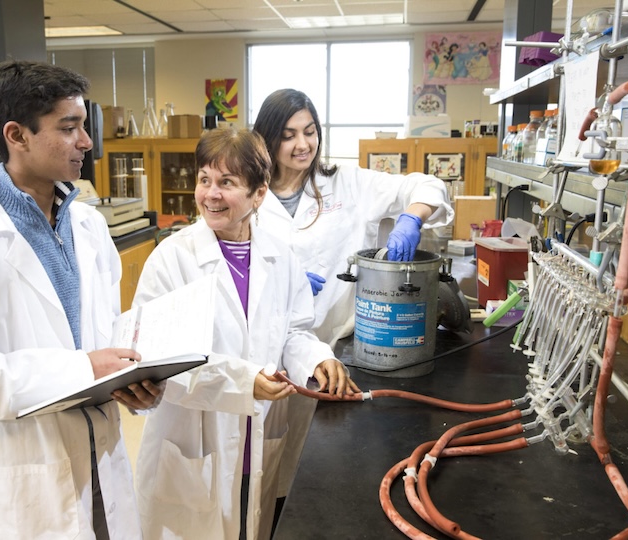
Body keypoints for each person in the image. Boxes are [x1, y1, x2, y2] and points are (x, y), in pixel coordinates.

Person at [0, 59, 161, 539]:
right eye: (69, 128)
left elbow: (104, 335)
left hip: (101, 460)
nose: (86, 142)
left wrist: (135, 378)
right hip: (22, 482)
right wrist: (82, 370)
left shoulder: (88, 226)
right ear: (16, 135)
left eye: (84, 126)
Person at [129, 125, 358, 540]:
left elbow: (294, 330)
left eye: (227, 183)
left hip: (259, 433)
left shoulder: (280, 257)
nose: (210, 194)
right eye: (204, 180)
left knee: (252, 523)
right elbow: (156, 362)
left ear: (259, 194)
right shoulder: (171, 260)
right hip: (196, 440)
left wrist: (317, 357)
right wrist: (242, 382)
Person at [252, 88, 453, 519]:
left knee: (321, 479)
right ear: (268, 138)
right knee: (261, 478)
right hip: (265, 352)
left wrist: (409, 217)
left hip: (336, 352)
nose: (302, 144)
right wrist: (274, 282)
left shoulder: (347, 182)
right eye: (288, 135)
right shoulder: (251, 191)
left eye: (310, 132)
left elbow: (426, 184)